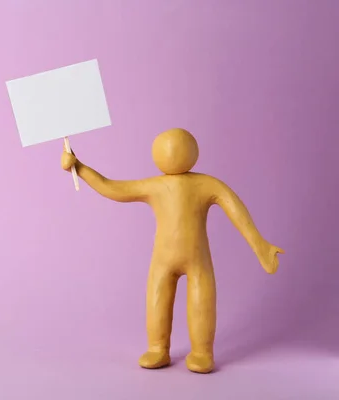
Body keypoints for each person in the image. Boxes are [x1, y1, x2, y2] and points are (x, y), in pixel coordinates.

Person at [60, 128, 284, 374]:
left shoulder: (204, 185)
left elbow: (237, 212)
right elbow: (112, 188)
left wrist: (261, 246)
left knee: (198, 301)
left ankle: (201, 352)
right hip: (168, 260)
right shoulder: (167, 185)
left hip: (191, 259)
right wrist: (79, 167)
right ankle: (158, 347)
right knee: (160, 300)